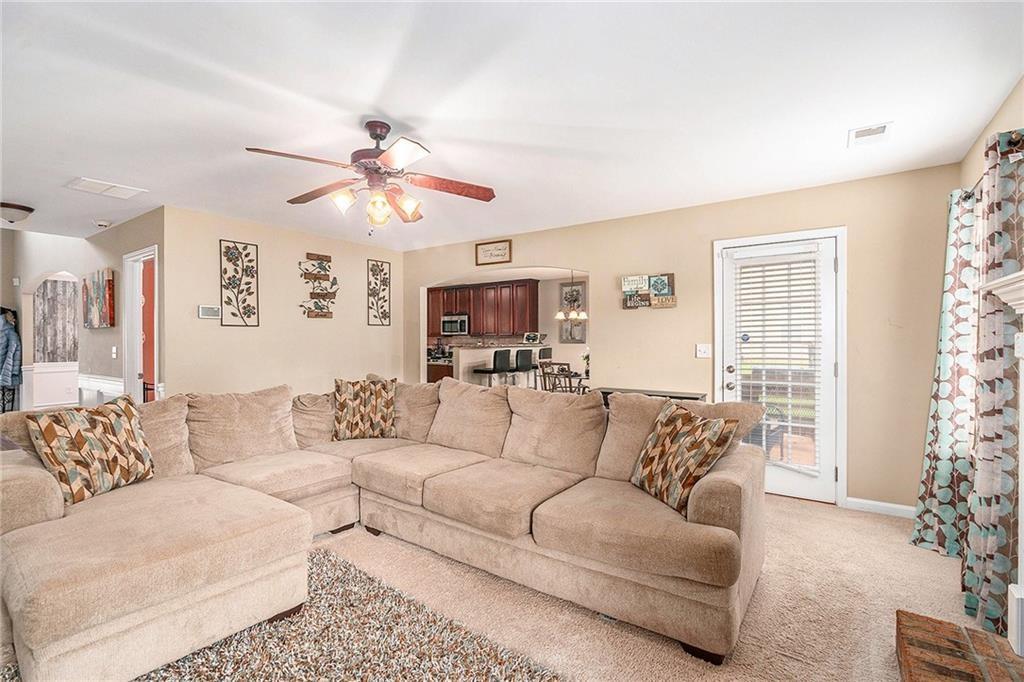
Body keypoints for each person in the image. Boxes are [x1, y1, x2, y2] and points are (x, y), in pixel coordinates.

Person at [0, 307, 23, 395]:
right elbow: (12, 355)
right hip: (5, 373)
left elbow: (11, 354)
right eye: (11, 316)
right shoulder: (11, 333)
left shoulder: (9, 333)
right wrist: (12, 373)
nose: (14, 319)